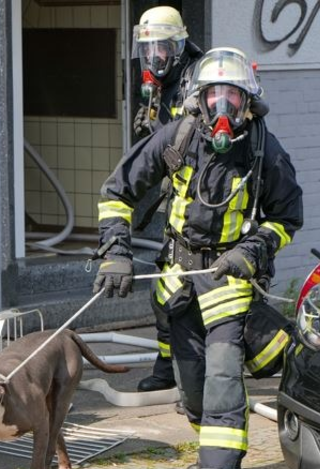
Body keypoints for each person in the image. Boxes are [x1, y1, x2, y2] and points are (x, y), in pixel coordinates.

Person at [94, 47, 304, 469]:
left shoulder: (264, 151)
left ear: (248, 101)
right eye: (215, 95)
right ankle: (209, 446)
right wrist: (116, 254)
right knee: (192, 388)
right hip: (178, 279)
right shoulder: (178, 136)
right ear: (199, 99)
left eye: (232, 94)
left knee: (225, 377)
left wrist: (250, 251)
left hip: (228, 280)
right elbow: (117, 191)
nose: (223, 106)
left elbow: (287, 218)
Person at [130, 6, 203, 394]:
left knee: (179, 297)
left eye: (161, 48)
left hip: (205, 208)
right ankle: (170, 366)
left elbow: (196, 146)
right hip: (179, 204)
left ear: (178, 45)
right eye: (148, 49)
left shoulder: (198, 81)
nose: (154, 57)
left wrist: (160, 134)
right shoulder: (165, 81)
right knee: (165, 294)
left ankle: (187, 372)